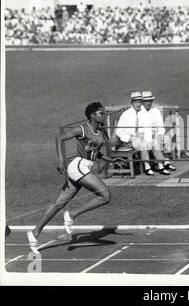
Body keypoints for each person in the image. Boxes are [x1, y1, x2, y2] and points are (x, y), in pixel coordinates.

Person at [27, 102, 126, 253]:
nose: (104, 116)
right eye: (101, 113)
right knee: (105, 195)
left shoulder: (101, 133)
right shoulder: (82, 129)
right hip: (78, 166)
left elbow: (96, 152)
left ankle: (35, 233)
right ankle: (72, 215)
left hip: (84, 167)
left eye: (104, 113)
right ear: (92, 115)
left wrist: (112, 160)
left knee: (58, 204)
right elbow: (59, 138)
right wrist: (60, 160)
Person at [115, 92, 170, 175]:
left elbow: (147, 129)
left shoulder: (144, 114)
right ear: (132, 103)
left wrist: (148, 139)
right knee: (143, 144)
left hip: (141, 138)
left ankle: (160, 166)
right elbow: (118, 131)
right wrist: (129, 138)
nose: (138, 104)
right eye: (136, 102)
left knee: (154, 143)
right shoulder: (126, 114)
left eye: (139, 102)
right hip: (128, 140)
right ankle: (147, 167)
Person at [141, 91, 176, 172]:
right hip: (145, 135)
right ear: (142, 102)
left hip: (156, 133)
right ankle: (157, 165)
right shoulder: (140, 111)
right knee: (154, 143)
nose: (149, 103)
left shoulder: (156, 110)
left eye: (150, 101)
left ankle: (166, 162)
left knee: (166, 139)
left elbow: (160, 125)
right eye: (146, 101)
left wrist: (160, 135)